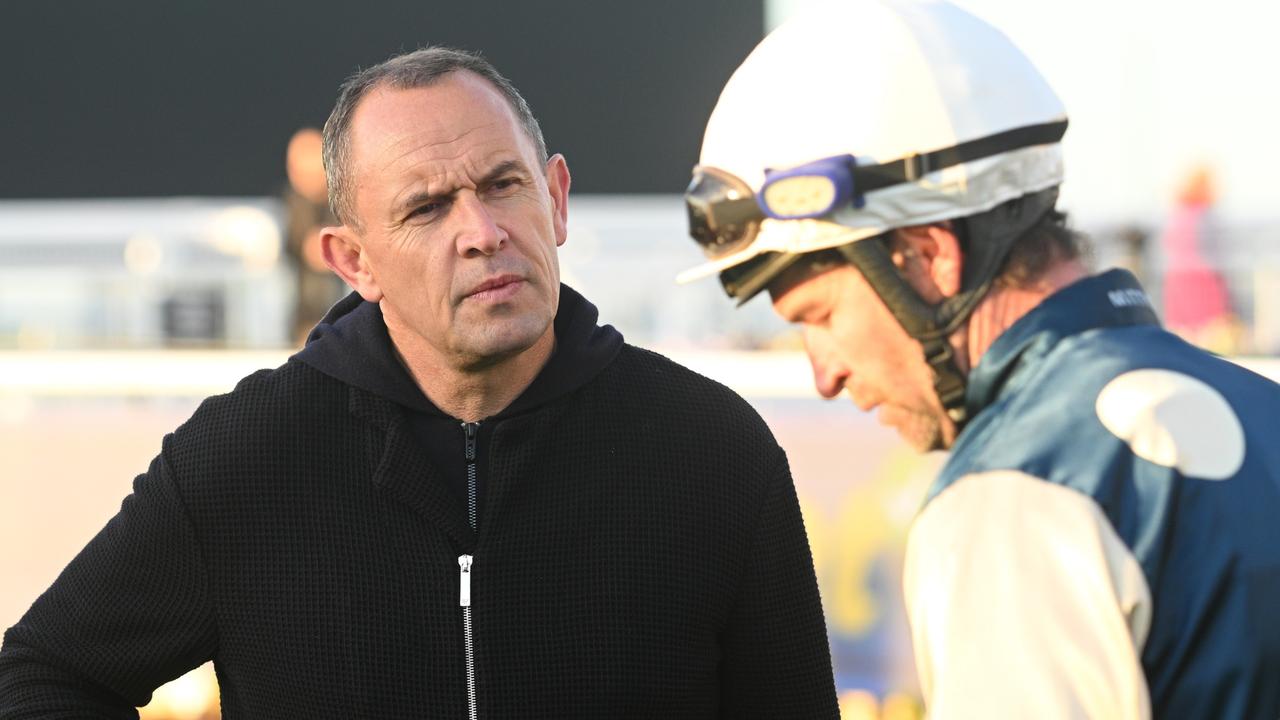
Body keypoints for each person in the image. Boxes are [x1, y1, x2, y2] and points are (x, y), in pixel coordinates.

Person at [0, 47, 838, 718]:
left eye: (503, 185)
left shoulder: (712, 450)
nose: (481, 232)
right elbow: (40, 677)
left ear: (556, 200)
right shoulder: (246, 457)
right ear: (353, 261)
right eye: (427, 208)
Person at [679, 2, 1280, 718]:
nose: (825, 374)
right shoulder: (1260, 407)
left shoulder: (1012, 495)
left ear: (929, 255)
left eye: (822, 319)